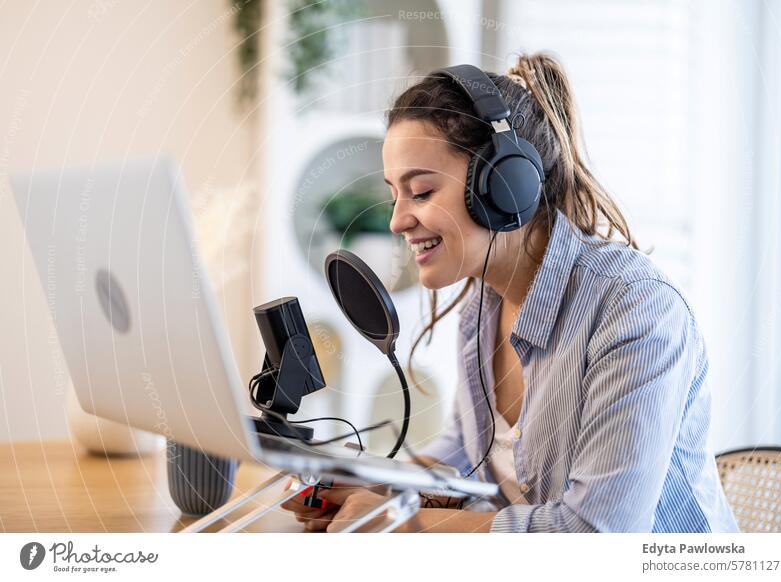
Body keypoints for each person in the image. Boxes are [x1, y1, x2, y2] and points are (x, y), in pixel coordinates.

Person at [283, 52, 739, 533]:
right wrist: (373, 489)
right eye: (394, 195)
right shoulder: (480, 308)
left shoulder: (634, 311)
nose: (397, 221)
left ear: (502, 184)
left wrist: (408, 527)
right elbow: (463, 451)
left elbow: (596, 536)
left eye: (419, 192)